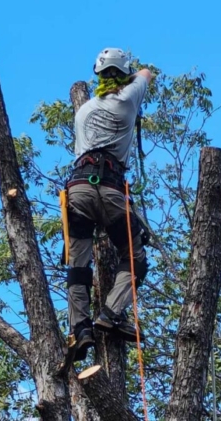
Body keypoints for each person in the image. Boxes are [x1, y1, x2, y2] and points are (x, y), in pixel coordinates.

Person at [63, 47, 154, 361]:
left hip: (78, 188)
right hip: (112, 189)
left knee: (78, 265)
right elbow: (147, 74)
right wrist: (133, 75)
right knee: (135, 256)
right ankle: (111, 313)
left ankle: (80, 328)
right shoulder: (129, 100)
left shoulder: (83, 110)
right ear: (124, 74)